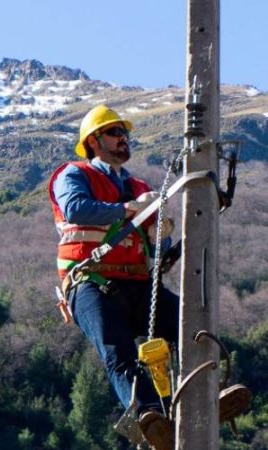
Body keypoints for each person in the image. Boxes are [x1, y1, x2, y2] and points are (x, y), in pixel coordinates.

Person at [47, 105, 251, 450]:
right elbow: (77, 209)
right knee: (119, 352)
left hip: (139, 284)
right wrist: (130, 210)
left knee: (193, 328)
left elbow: (156, 247)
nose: (123, 139)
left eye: (124, 133)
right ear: (94, 141)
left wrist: (161, 236)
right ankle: (151, 418)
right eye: (114, 133)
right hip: (92, 282)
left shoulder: (137, 185)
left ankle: (205, 398)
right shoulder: (74, 174)